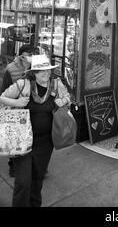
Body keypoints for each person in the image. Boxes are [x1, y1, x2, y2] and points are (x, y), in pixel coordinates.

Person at [0, 54, 71, 207]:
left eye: (48, 70)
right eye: (41, 71)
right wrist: (17, 102)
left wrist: (63, 100)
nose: (46, 74)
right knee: (23, 182)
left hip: (45, 143)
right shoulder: (23, 84)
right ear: (33, 73)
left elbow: (68, 97)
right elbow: (2, 97)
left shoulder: (56, 84)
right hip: (21, 140)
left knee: (37, 180)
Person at [1, 44, 35, 177]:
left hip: (33, 107)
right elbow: (4, 92)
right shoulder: (11, 69)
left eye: (34, 54)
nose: (31, 57)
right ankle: (13, 164)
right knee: (15, 139)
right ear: (21, 55)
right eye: (28, 55)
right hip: (17, 108)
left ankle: (32, 163)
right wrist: (15, 102)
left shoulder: (37, 66)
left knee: (31, 137)